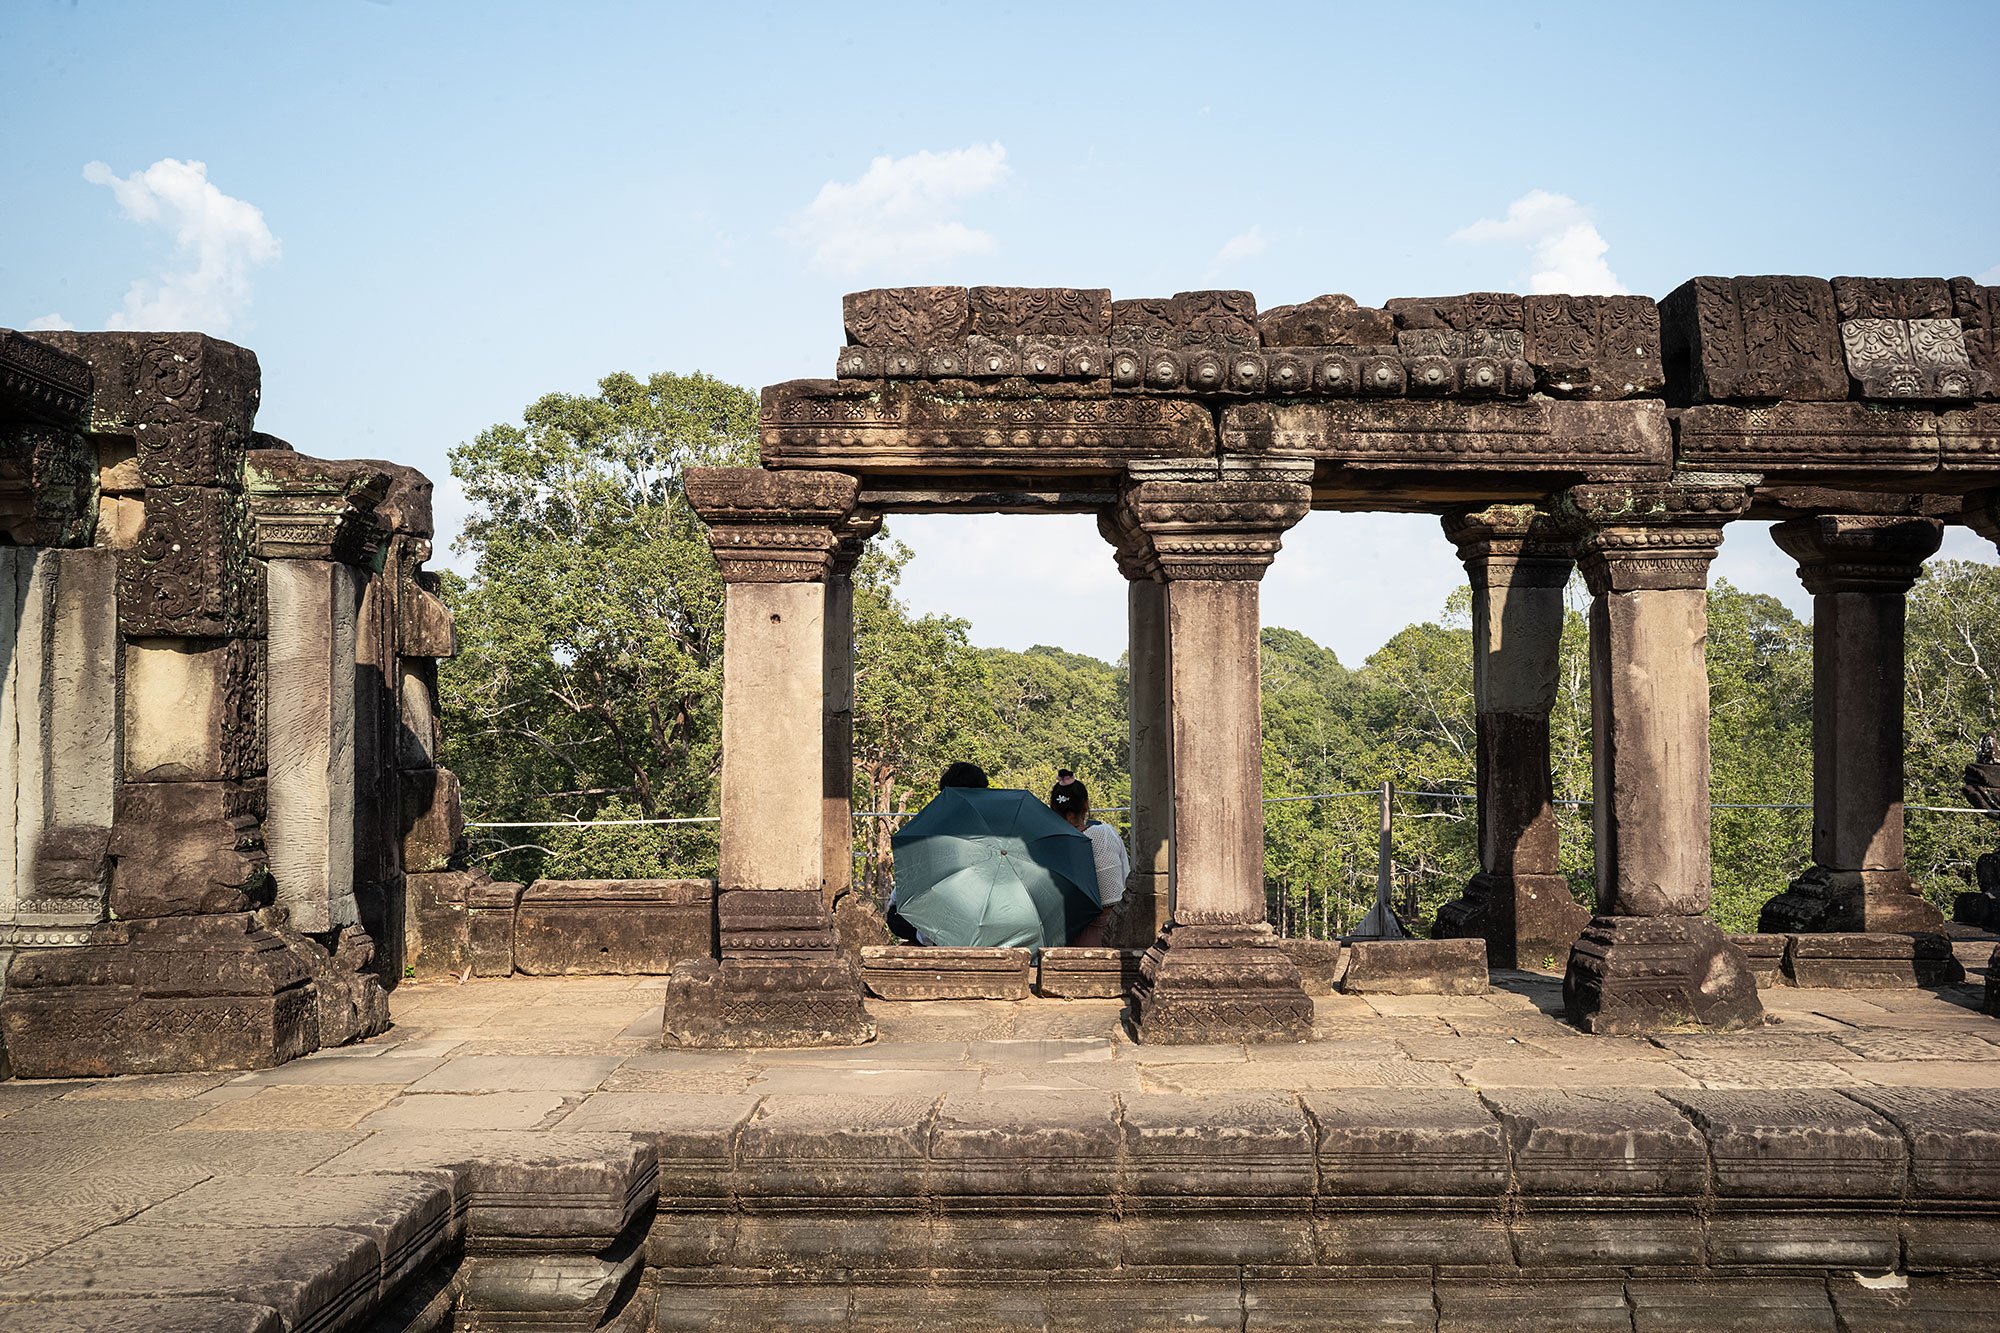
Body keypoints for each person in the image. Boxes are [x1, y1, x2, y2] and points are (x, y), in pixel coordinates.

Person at [886, 761, 992, 942]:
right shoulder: (994, 825)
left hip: (939, 920)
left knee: (898, 918)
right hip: (977, 917)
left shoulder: (932, 826)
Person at [1047, 770, 1129, 947]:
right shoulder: (1104, 834)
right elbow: (1118, 889)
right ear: (1086, 805)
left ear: (1053, 808)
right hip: (1111, 933)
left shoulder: (1050, 844)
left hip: (1068, 935)